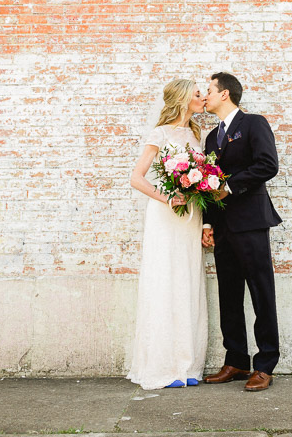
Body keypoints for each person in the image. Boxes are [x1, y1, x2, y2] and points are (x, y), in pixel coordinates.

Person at [201, 72, 282, 392]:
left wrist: (230, 186)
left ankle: (265, 365)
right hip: (223, 228)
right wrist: (207, 223)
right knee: (229, 295)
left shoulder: (253, 124)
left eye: (208, 90)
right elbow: (204, 186)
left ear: (225, 94)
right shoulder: (210, 139)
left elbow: (268, 164)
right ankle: (235, 360)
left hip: (251, 223)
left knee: (262, 294)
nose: (204, 96)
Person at [127, 78, 210, 389]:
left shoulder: (196, 133)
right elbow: (137, 177)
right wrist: (166, 197)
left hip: (191, 215)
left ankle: (187, 364)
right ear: (184, 99)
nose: (204, 98)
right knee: (165, 280)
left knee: (187, 280)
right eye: (198, 94)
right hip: (166, 214)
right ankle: (162, 365)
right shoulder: (159, 134)